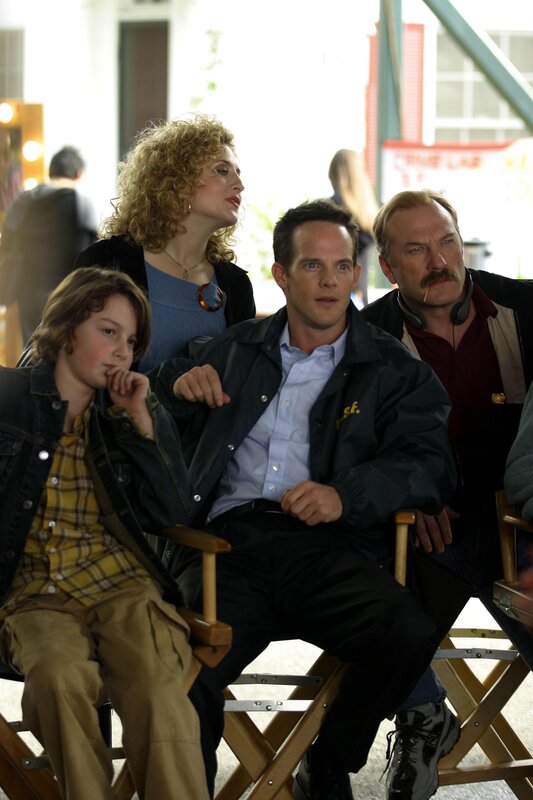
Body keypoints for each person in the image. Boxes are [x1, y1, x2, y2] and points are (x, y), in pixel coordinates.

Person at [151, 198, 463, 800]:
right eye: (312, 266)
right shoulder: (230, 351)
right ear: (281, 274)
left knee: (406, 630)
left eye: (341, 267)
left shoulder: (392, 367)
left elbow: (430, 464)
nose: (329, 282)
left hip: (331, 545)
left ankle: (329, 761)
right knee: (186, 670)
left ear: (357, 274)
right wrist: (173, 386)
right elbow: (148, 417)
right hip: (225, 549)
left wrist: (345, 495)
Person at [0, 267, 210, 800]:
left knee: (158, 689)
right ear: (67, 328)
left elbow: (172, 511)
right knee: (57, 678)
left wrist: (138, 420)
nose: (122, 351)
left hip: (122, 586)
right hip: (34, 594)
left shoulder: (133, 408)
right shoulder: (8, 399)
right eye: (108, 331)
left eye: (132, 341)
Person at [362, 189, 533, 800]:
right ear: (389, 267)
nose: (439, 261)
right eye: (416, 250)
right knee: (366, 605)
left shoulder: (524, 307)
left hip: (521, 523)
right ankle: (423, 717)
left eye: (447, 242)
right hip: (427, 527)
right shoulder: (366, 336)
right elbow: (351, 448)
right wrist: (408, 491)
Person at [75, 114, 255, 372]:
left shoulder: (236, 286)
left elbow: (240, 381)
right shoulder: (107, 262)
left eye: (238, 173)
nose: (240, 185)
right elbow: (71, 362)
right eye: (222, 170)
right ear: (178, 181)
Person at [0, 145, 97, 341]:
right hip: (66, 291)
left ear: (51, 171)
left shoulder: (25, 199)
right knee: (62, 346)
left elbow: (6, 242)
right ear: (78, 174)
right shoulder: (81, 204)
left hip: (27, 289)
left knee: (32, 346)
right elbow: (91, 254)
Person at [328, 148, 378, 307]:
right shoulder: (368, 212)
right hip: (360, 294)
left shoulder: (330, 210)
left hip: (335, 295)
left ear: (333, 174)